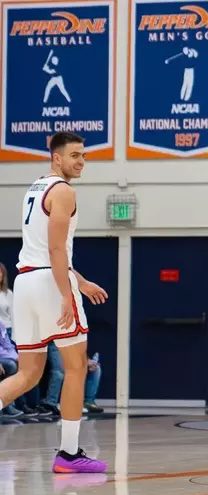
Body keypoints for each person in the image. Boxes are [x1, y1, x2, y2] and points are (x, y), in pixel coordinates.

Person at [0, 131, 109, 473]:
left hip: (26, 282)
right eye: (75, 155)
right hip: (49, 282)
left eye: (84, 155)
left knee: (29, 373)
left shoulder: (34, 189)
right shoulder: (64, 191)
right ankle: (69, 454)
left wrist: (80, 280)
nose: (81, 162)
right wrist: (66, 293)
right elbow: (56, 250)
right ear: (57, 158)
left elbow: (44, 252)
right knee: (75, 367)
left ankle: (69, 453)